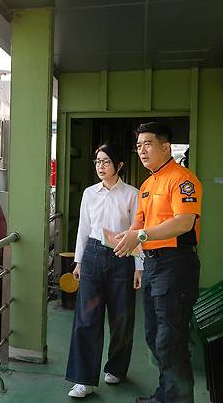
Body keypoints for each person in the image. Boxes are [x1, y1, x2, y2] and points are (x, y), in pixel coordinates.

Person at [113, 122, 202, 403]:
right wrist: (124, 236)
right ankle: (166, 395)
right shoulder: (148, 184)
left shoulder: (183, 179)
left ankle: (178, 400)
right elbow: (139, 225)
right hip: (152, 265)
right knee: (154, 337)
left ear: (166, 147)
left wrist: (140, 234)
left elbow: (184, 222)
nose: (142, 151)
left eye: (148, 144)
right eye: (138, 146)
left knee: (170, 339)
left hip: (176, 264)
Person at [66, 143, 143, 398]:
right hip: (93, 255)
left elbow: (138, 232)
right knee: (87, 318)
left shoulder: (132, 194)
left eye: (106, 161)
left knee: (121, 318)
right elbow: (83, 229)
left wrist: (138, 266)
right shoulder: (89, 193)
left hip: (123, 256)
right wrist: (78, 262)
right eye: (98, 161)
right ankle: (83, 379)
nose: (101, 166)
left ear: (119, 165)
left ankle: (117, 367)